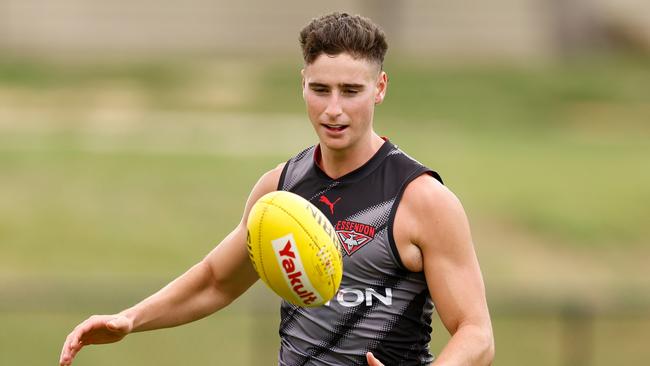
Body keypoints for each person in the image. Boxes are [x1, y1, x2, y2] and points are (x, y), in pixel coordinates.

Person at [59, 12, 494, 366]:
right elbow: (216, 280)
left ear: (379, 89)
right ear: (302, 82)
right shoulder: (280, 193)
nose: (334, 109)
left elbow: (476, 334)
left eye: (351, 91)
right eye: (320, 89)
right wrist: (130, 319)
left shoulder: (421, 199)